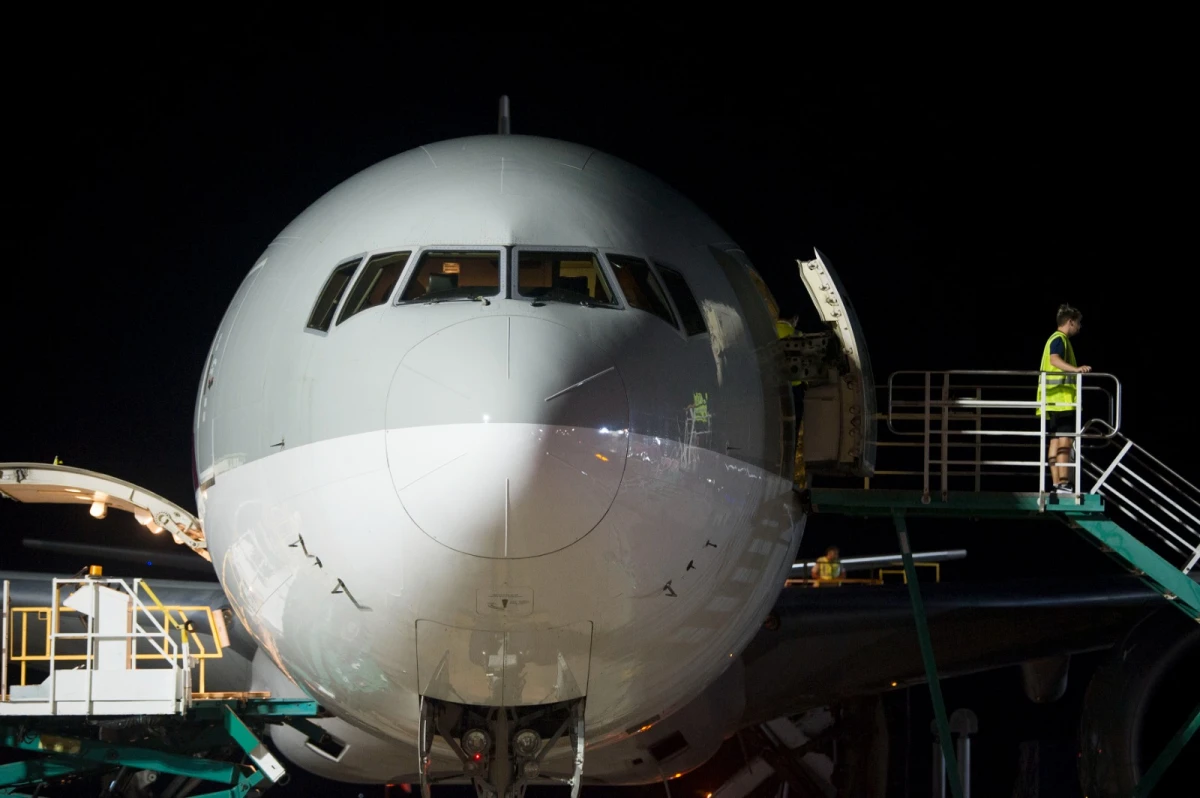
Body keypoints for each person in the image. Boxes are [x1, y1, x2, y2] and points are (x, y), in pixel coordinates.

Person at [1037, 304, 1091, 493]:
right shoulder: (1059, 339)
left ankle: (1057, 484)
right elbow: (1054, 359)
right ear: (1070, 322)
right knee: (1065, 442)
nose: (1079, 327)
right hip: (1062, 400)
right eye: (1078, 323)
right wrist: (1076, 370)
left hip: (1052, 400)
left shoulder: (1053, 338)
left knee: (1054, 441)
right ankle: (1063, 483)